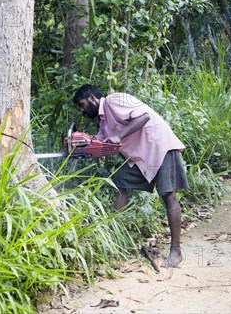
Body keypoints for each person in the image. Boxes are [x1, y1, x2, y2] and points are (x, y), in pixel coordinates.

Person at [72, 84, 188, 268]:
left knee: (168, 195)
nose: (83, 111)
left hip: (159, 147)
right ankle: (116, 239)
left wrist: (119, 135)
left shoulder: (114, 100)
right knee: (118, 182)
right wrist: (80, 148)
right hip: (141, 157)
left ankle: (176, 251)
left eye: (83, 105)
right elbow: (102, 144)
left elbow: (144, 117)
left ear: (93, 98)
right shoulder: (103, 122)